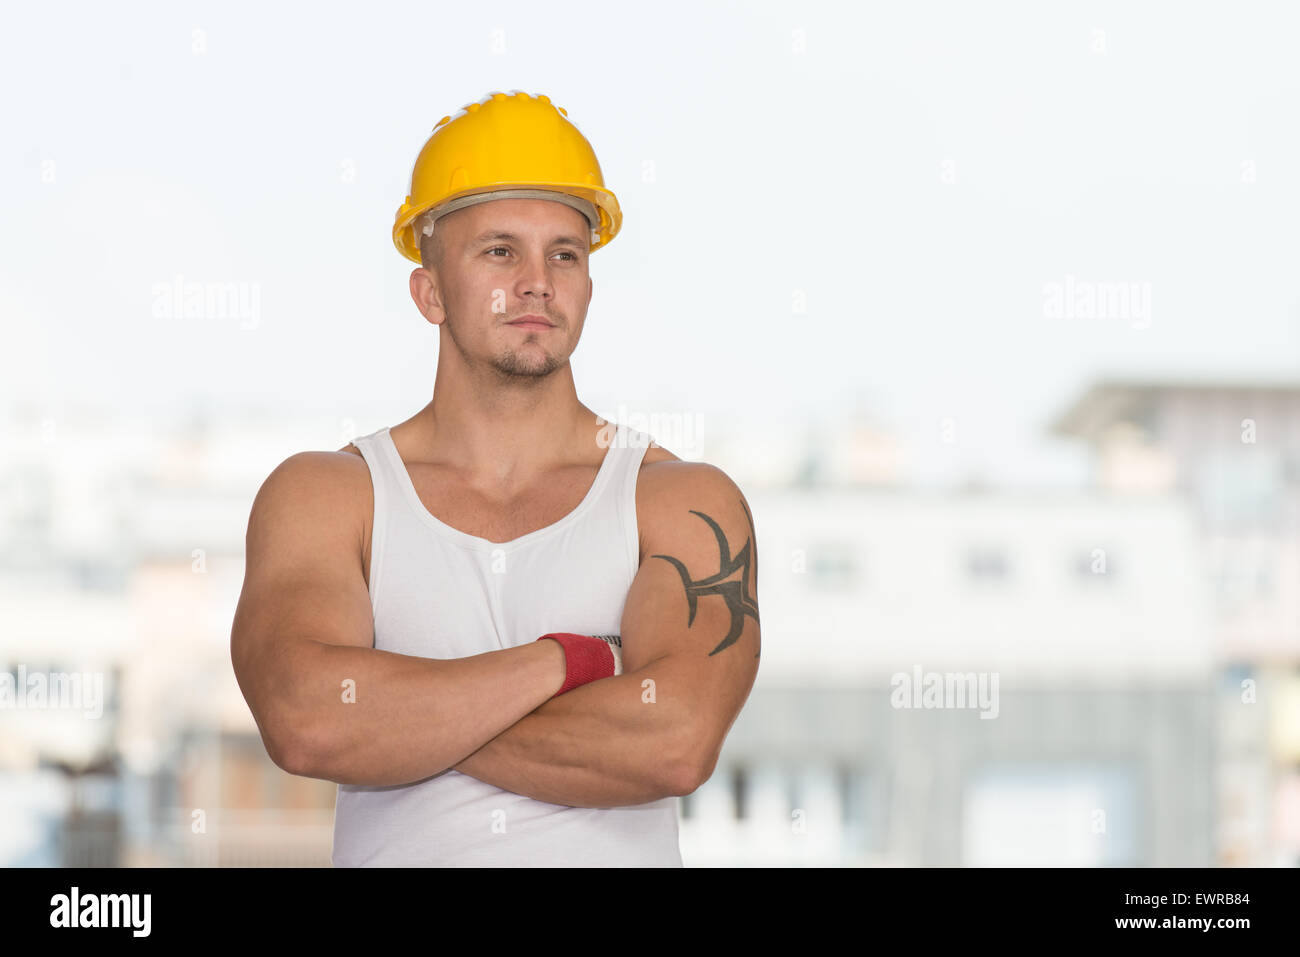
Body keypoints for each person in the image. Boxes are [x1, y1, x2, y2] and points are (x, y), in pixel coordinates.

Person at [230, 91, 761, 866]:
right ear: (430, 291)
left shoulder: (679, 501)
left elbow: (675, 745)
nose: (538, 280)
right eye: (500, 251)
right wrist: (571, 663)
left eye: (565, 254)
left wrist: (398, 723)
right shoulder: (327, 497)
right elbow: (308, 723)